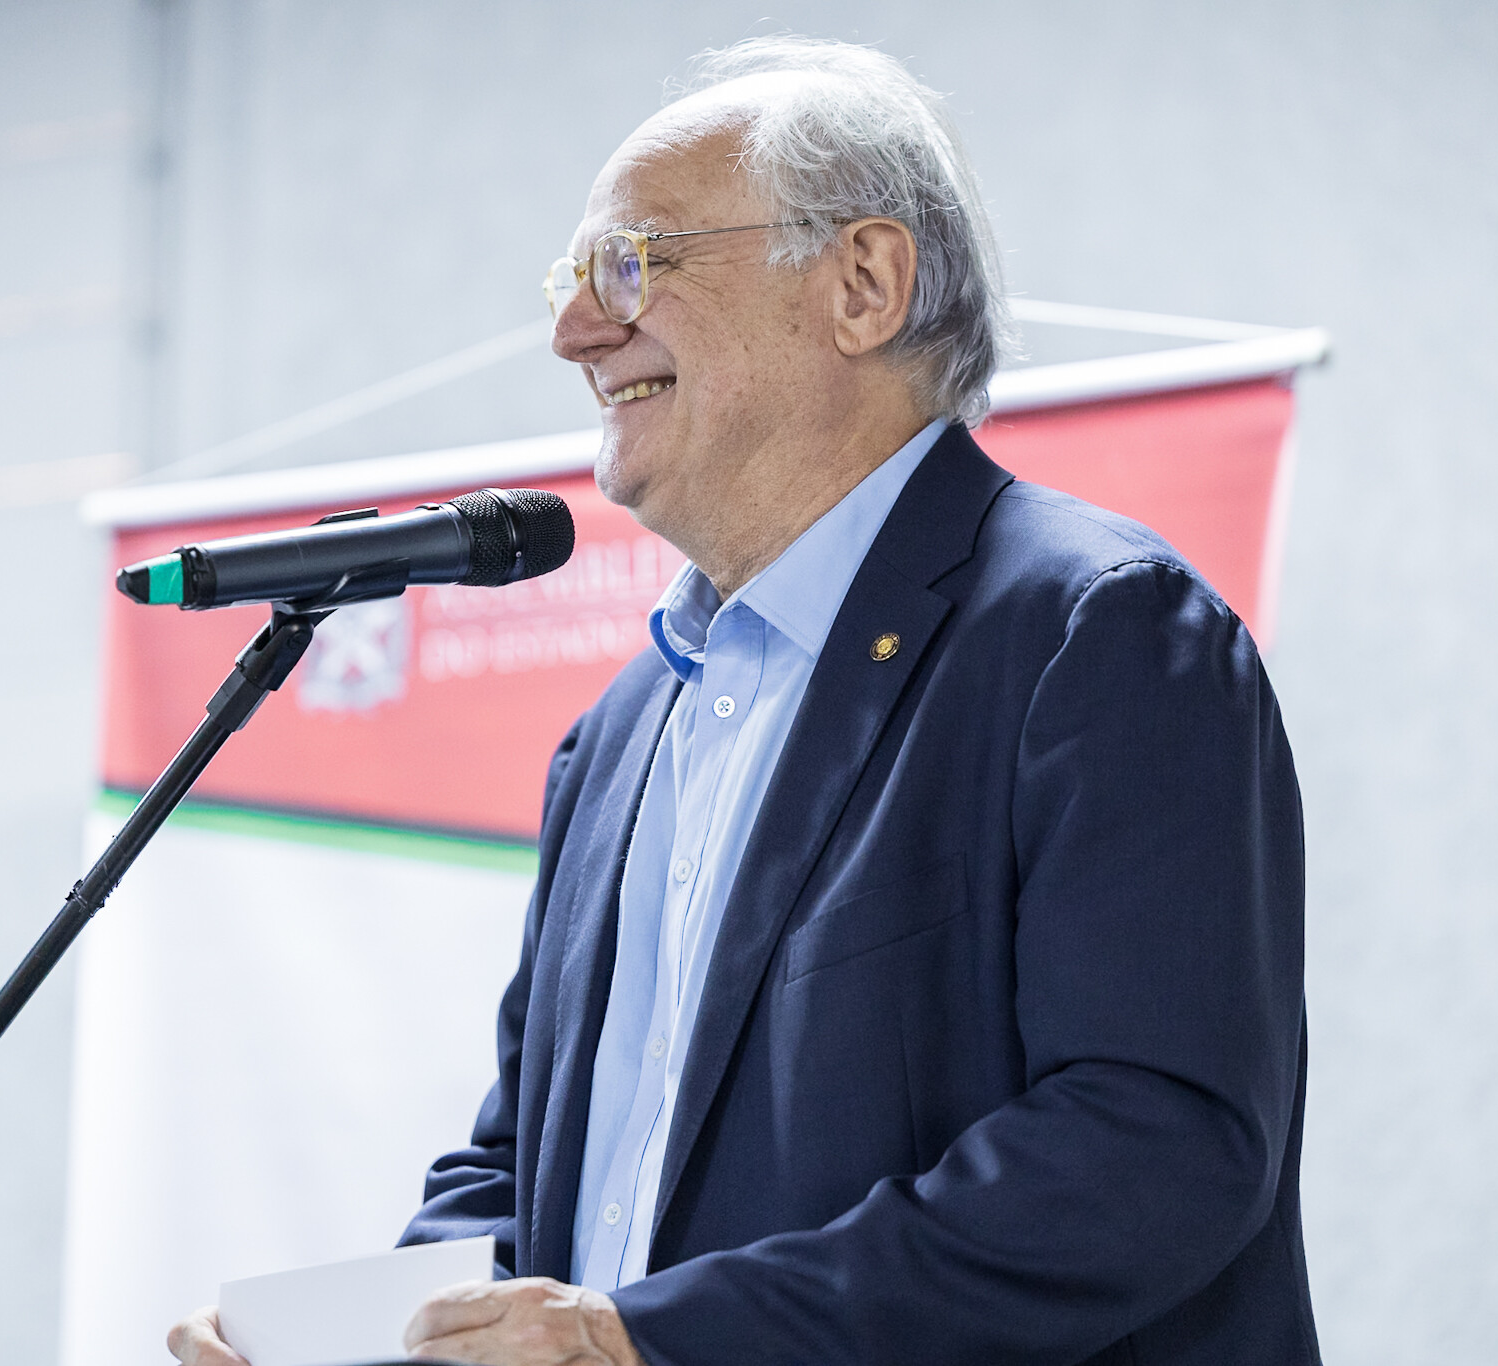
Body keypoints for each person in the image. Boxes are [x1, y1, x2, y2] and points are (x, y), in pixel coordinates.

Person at [172, 35, 1315, 1366]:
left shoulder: (1093, 632)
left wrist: (651, 1339)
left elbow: (1150, 1149)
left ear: (863, 284)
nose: (572, 331)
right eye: (571, 281)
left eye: (630, 264)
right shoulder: (616, 738)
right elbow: (522, 1173)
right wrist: (350, 1343)